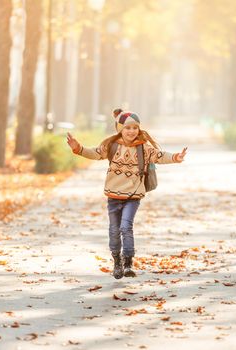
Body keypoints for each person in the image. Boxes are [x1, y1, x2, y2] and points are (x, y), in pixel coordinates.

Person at [66, 109, 187, 279]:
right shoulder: (112, 145)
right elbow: (95, 153)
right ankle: (117, 262)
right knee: (114, 230)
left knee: (126, 226)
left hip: (133, 196)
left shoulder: (143, 147)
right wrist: (78, 148)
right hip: (113, 196)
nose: (132, 131)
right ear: (120, 129)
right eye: (128, 128)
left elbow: (159, 156)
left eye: (135, 128)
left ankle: (128, 262)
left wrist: (175, 157)